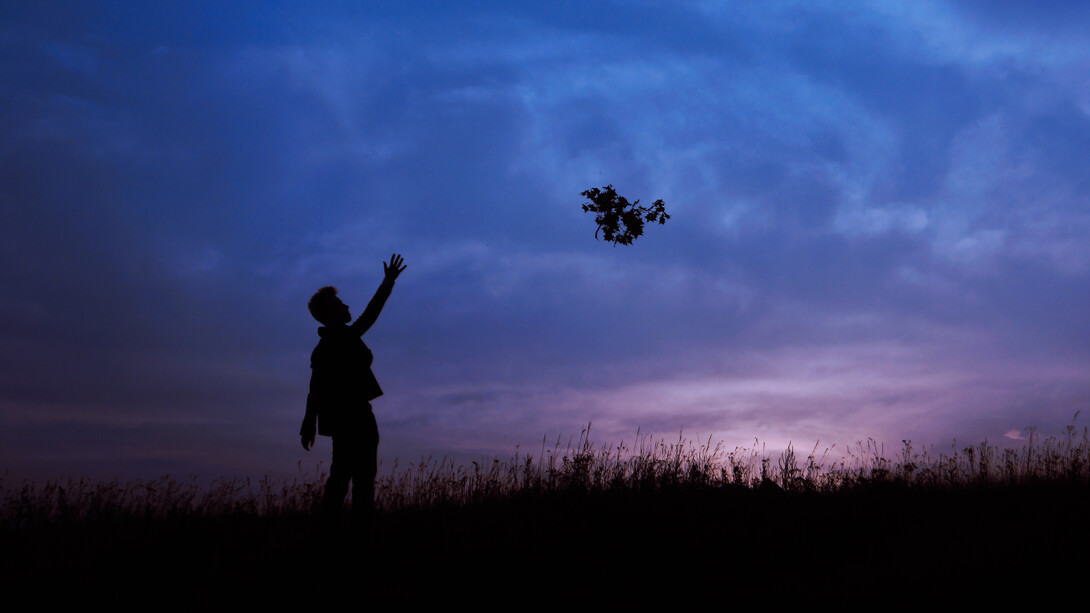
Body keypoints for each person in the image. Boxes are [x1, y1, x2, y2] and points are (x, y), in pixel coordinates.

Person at [300, 253, 406, 517]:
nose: (346, 305)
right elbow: (316, 389)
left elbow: (370, 315)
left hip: (357, 415)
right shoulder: (332, 344)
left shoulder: (339, 339)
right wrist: (308, 423)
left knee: (356, 477)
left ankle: (351, 532)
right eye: (339, 303)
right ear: (330, 313)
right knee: (347, 478)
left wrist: (387, 283)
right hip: (349, 418)